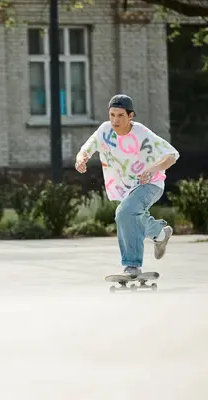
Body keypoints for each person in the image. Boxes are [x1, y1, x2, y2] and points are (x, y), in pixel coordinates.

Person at [75, 94, 180, 277]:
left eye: (120, 115)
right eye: (112, 115)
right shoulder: (104, 131)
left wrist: (153, 168)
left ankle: (132, 265)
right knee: (133, 217)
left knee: (124, 213)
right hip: (125, 188)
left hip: (150, 184)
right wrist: (81, 160)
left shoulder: (141, 133)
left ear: (130, 116)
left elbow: (171, 155)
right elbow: (85, 149)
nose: (115, 120)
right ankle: (161, 235)